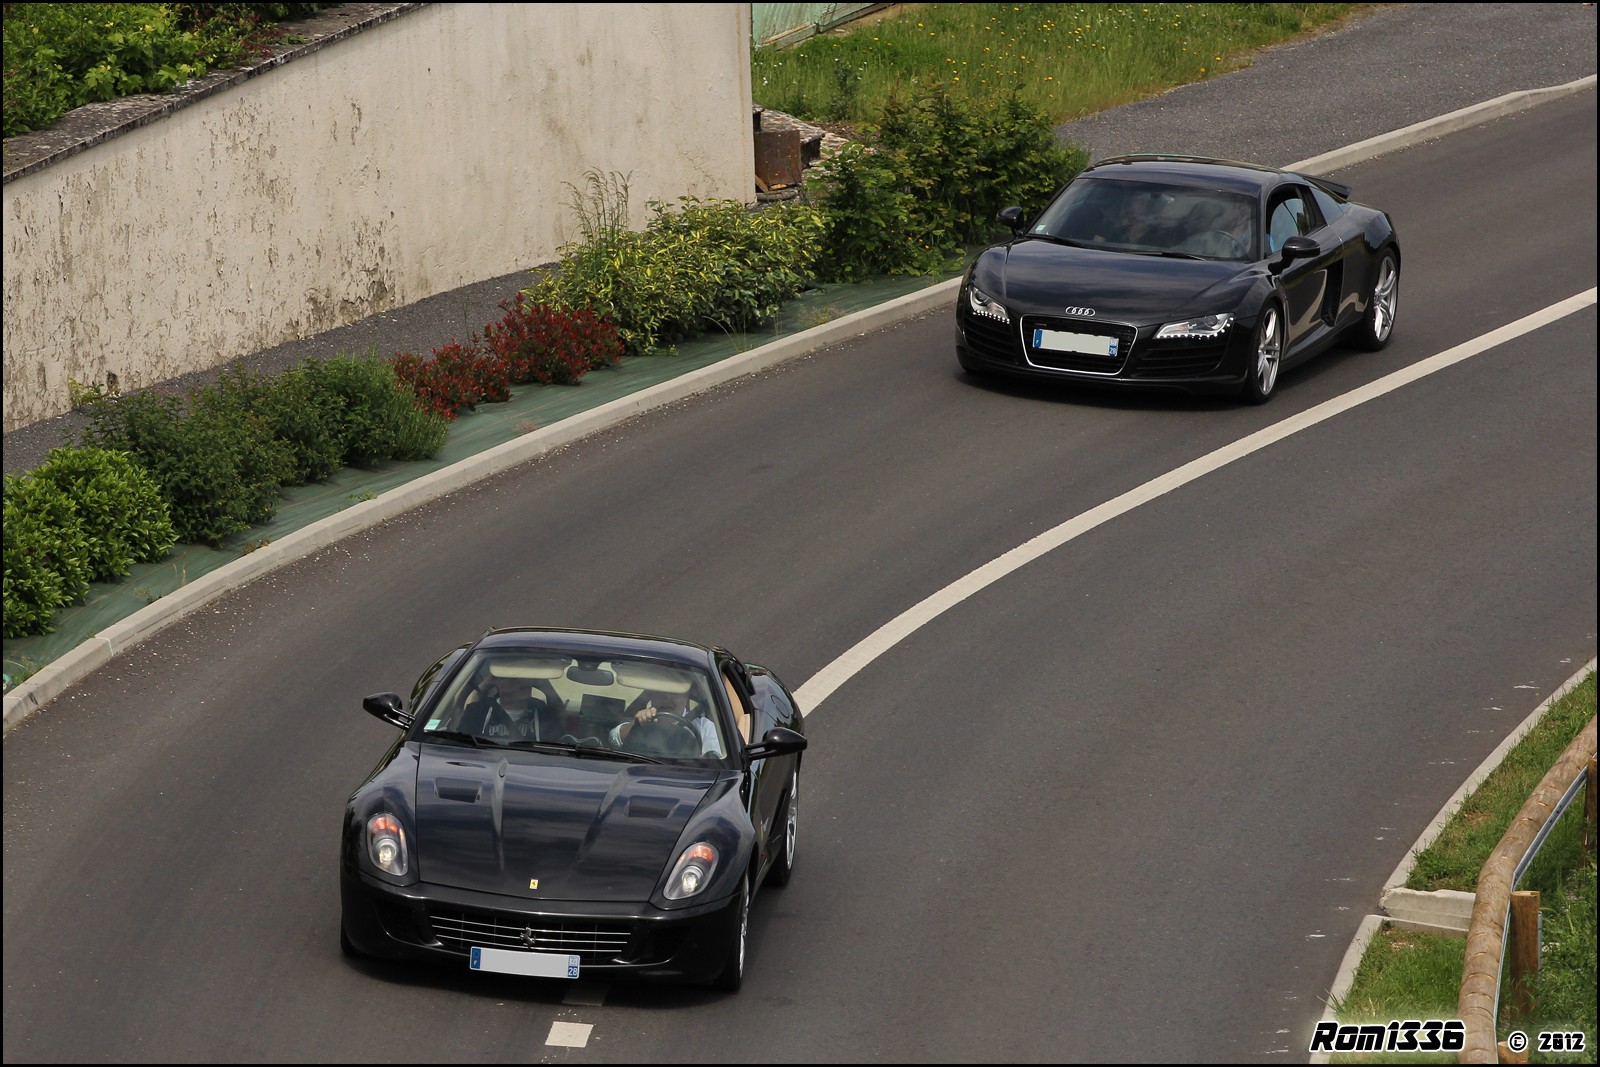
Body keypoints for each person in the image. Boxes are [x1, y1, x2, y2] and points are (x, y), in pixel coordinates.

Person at [609, 688, 723, 756]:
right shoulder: (643, 720)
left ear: (687, 695)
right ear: (651, 694)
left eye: (675, 692)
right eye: (661, 691)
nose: (667, 698)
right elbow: (613, 738)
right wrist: (636, 725)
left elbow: (716, 761)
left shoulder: (704, 727)